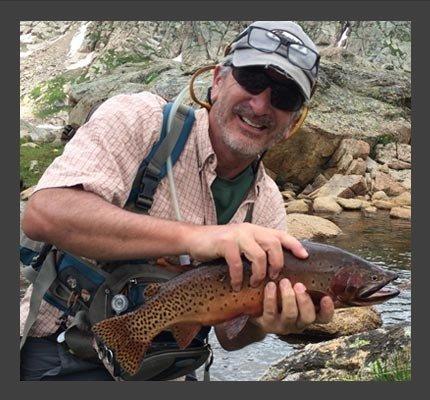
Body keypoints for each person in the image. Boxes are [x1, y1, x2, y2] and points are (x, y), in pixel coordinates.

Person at [20, 20, 334, 381]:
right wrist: (198, 237)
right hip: (59, 357)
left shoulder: (266, 206)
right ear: (218, 80)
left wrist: (264, 322)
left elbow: (230, 337)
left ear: (293, 122)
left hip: (166, 371)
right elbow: (43, 214)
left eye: (284, 97)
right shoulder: (141, 121)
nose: (261, 104)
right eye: (251, 79)